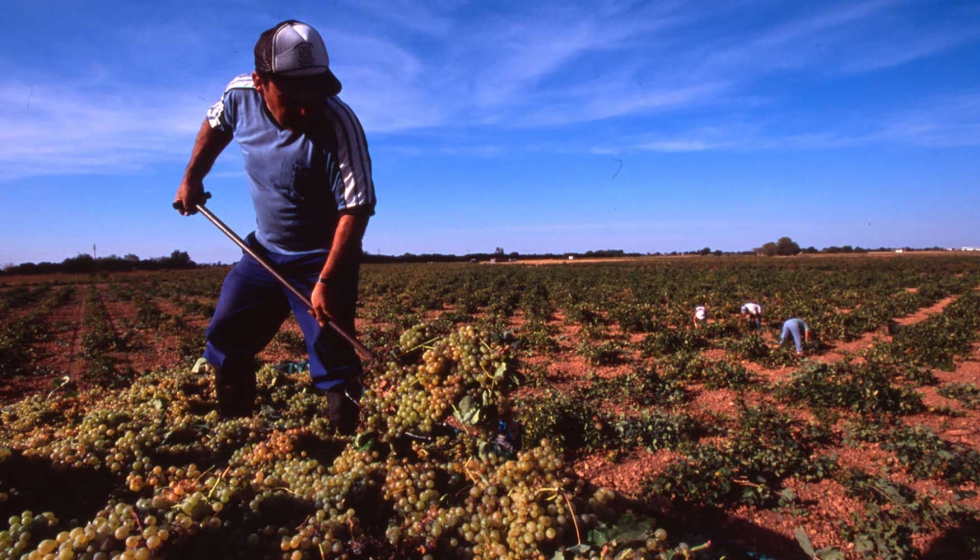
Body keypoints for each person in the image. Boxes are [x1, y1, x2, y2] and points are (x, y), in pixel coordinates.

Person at [173, 20, 376, 433]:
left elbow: (357, 207)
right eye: (292, 97)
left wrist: (328, 280)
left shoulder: (340, 125)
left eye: (314, 96)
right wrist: (193, 176)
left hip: (322, 259)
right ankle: (237, 432)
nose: (305, 108)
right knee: (228, 335)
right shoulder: (239, 96)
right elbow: (215, 124)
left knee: (331, 352)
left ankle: (347, 444)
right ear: (260, 82)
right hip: (264, 252)